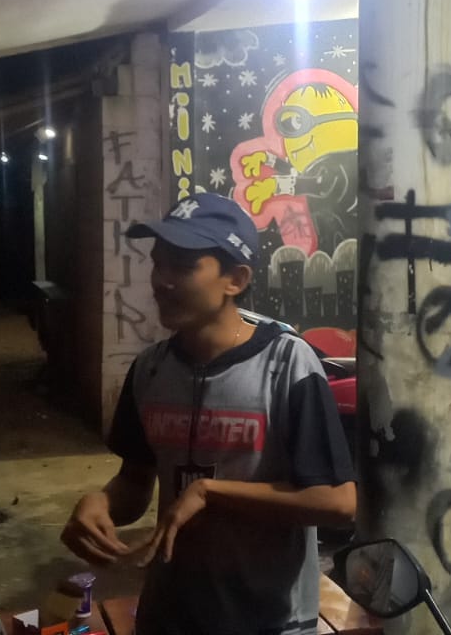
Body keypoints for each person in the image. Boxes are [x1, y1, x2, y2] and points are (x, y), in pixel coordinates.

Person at [59, 193, 358, 635]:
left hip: (268, 621)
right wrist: (99, 503)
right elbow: (134, 484)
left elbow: (337, 502)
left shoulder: (287, 365)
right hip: (169, 615)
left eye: (182, 265)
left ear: (235, 279)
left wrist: (211, 492)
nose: (161, 280)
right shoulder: (151, 369)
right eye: (158, 263)